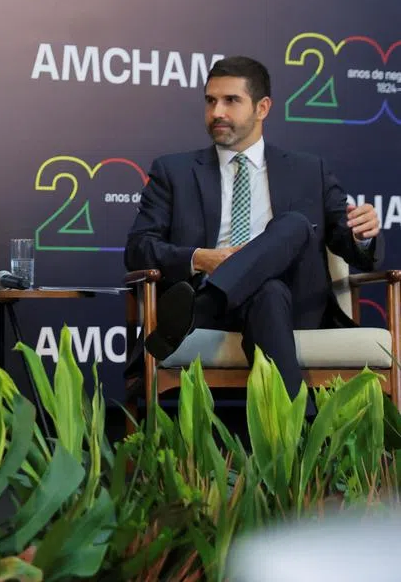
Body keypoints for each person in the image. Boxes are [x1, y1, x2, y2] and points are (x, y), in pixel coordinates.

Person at [125, 56, 382, 405]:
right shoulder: (174, 171)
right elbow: (138, 249)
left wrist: (363, 234)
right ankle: (292, 436)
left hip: (293, 305)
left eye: (231, 100)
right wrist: (201, 258)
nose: (217, 112)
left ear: (262, 108)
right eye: (210, 101)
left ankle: (202, 306)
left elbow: (348, 242)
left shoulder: (309, 170)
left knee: (294, 226)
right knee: (268, 290)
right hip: (238, 307)